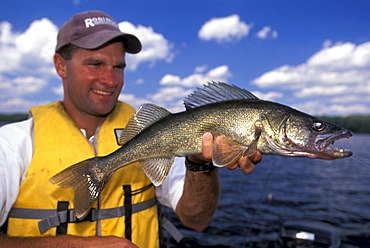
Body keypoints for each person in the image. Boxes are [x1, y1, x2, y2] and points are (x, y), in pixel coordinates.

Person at [0, 10, 262, 247]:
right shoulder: (11, 144)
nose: (111, 80)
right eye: (95, 64)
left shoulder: (157, 134)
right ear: (60, 65)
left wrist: (199, 163)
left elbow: (197, 220)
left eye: (119, 67)